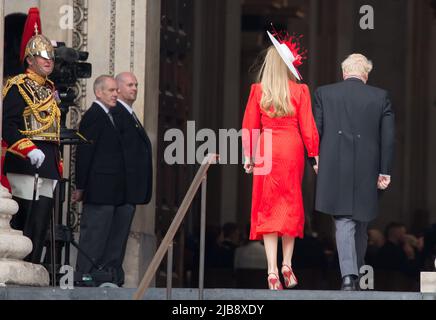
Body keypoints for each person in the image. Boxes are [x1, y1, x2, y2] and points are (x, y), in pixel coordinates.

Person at [242, 30, 319, 290]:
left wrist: (248, 155)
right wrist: (315, 155)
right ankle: (287, 263)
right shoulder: (300, 91)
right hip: (291, 148)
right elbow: (308, 127)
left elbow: (250, 127)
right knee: (290, 202)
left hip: (266, 147)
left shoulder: (257, 91)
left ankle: (272, 271)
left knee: (267, 207)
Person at [313, 53, 395, 290]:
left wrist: (315, 161)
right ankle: (353, 274)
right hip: (367, 168)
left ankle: (350, 276)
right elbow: (388, 138)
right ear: (366, 75)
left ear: (343, 72)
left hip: (334, 166)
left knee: (345, 221)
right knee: (359, 222)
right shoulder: (381, 97)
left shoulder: (324, 93)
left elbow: (315, 131)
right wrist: (385, 170)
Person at [2, 8, 62, 264]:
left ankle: (34, 272)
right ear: (30, 59)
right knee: (24, 222)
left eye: (51, 56)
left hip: (47, 164)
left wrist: (55, 163)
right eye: (42, 56)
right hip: (26, 161)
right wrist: (29, 149)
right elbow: (7, 125)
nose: (48, 60)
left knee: (40, 226)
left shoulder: (49, 90)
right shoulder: (17, 86)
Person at [72, 75, 133, 286]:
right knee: (94, 236)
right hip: (99, 189)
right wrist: (80, 186)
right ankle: (84, 278)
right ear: (98, 92)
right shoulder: (94, 115)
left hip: (111, 191)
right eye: (111, 90)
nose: (116, 94)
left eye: (117, 90)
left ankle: (99, 277)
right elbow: (84, 153)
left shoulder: (110, 115)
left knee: (106, 237)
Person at [109, 72, 153, 284]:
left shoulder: (130, 114)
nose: (134, 88)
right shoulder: (117, 113)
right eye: (129, 85)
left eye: (136, 84)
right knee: (113, 236)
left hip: (130, 191)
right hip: (121, 189)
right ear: (117, 88)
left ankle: (114, 274)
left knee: (120, 236)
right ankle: (110, 275)